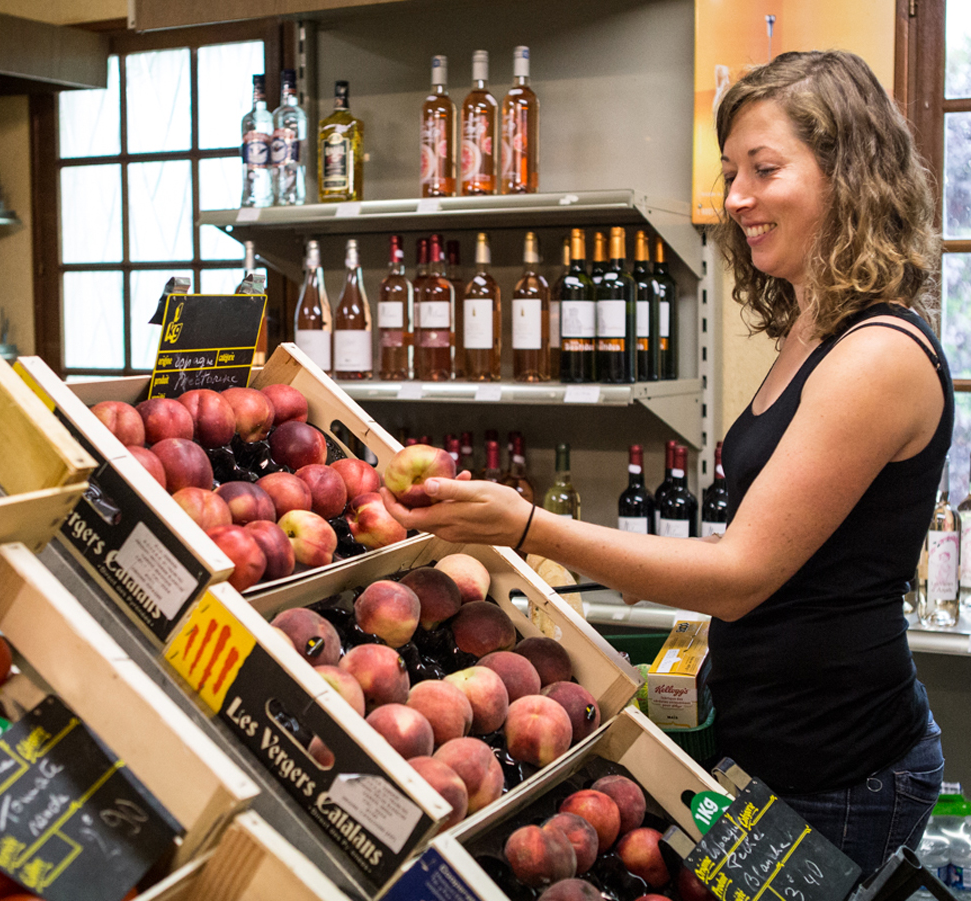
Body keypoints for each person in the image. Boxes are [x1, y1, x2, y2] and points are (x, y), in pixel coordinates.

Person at [380, 50, 947, 878]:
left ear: (848, 172)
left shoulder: (878, 355)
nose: (738, 197)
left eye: (764, 168)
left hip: (842, 765)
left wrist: (531, 526)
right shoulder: (813, 328)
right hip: (777, 744)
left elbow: (741, 574)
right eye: (730, 172)